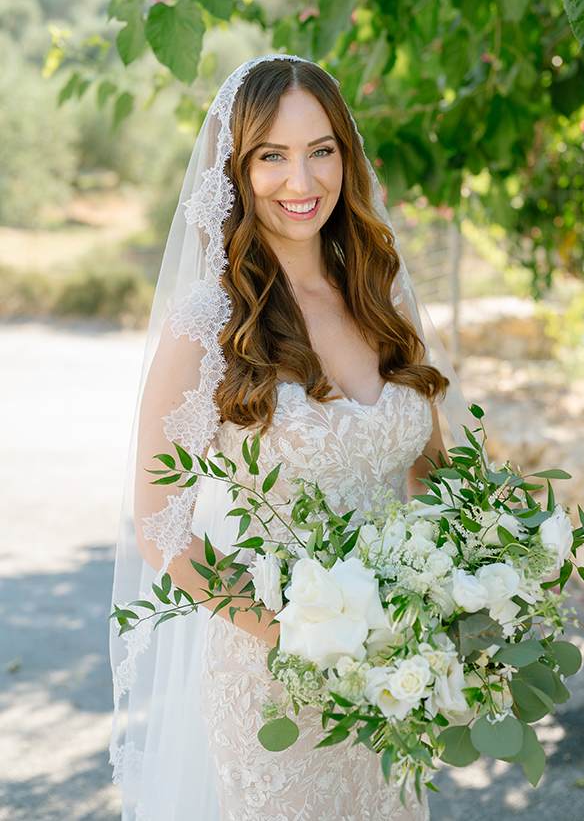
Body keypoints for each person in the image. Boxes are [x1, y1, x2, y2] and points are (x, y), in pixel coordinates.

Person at [110, 55, 472, 821]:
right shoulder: (207, 323)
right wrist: (299, 640)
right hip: (277, 686)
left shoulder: (381, 290)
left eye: (320, 150)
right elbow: (160, 524)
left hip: (393, 680)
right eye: (271, 155)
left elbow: (431, 471)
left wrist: (456, 595)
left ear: (347, 154)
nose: (300, 181)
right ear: (235, 169)